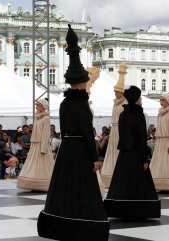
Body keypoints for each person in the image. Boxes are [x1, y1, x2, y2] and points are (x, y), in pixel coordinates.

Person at [37, 24, 110, 241]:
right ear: (83, 82)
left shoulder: (64, 103)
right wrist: (94, 156)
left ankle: (59, 221)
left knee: (63, 186)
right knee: (83, 188)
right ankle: (84, 224)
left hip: (67, 149)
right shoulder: (82, 104)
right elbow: (87, 133)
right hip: (79, 149)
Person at [104, 86, 160, 219]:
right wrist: (144, 158)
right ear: (136, 98)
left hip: (124, 153)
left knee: (122, 181)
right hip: (136, 154)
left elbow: (122, 134)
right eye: (139, 97)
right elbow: (140, 137)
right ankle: (139, 210)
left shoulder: (123, 114)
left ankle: (120, 209)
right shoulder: (138, 114)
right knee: (138, 182)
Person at [17, 98, 55, 191]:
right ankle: (33, 183)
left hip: (41, 145)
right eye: (36, 105)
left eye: (38, 105)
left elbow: (46, 133)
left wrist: (43, 147)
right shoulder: (37, 117)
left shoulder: (46, 118)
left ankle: (43, 183)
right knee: (33, 164)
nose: (36, 106)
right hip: (34, 144)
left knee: (42, 164)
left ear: (43, 106)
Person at [100, 62, 127, 187]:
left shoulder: (124, 104)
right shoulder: (115, 104)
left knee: (118, 150)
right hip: (114, 128)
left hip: (121, 130)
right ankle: (110, 172)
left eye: (117, 92)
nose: (116, 93)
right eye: (115, 91)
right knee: (112, 150)